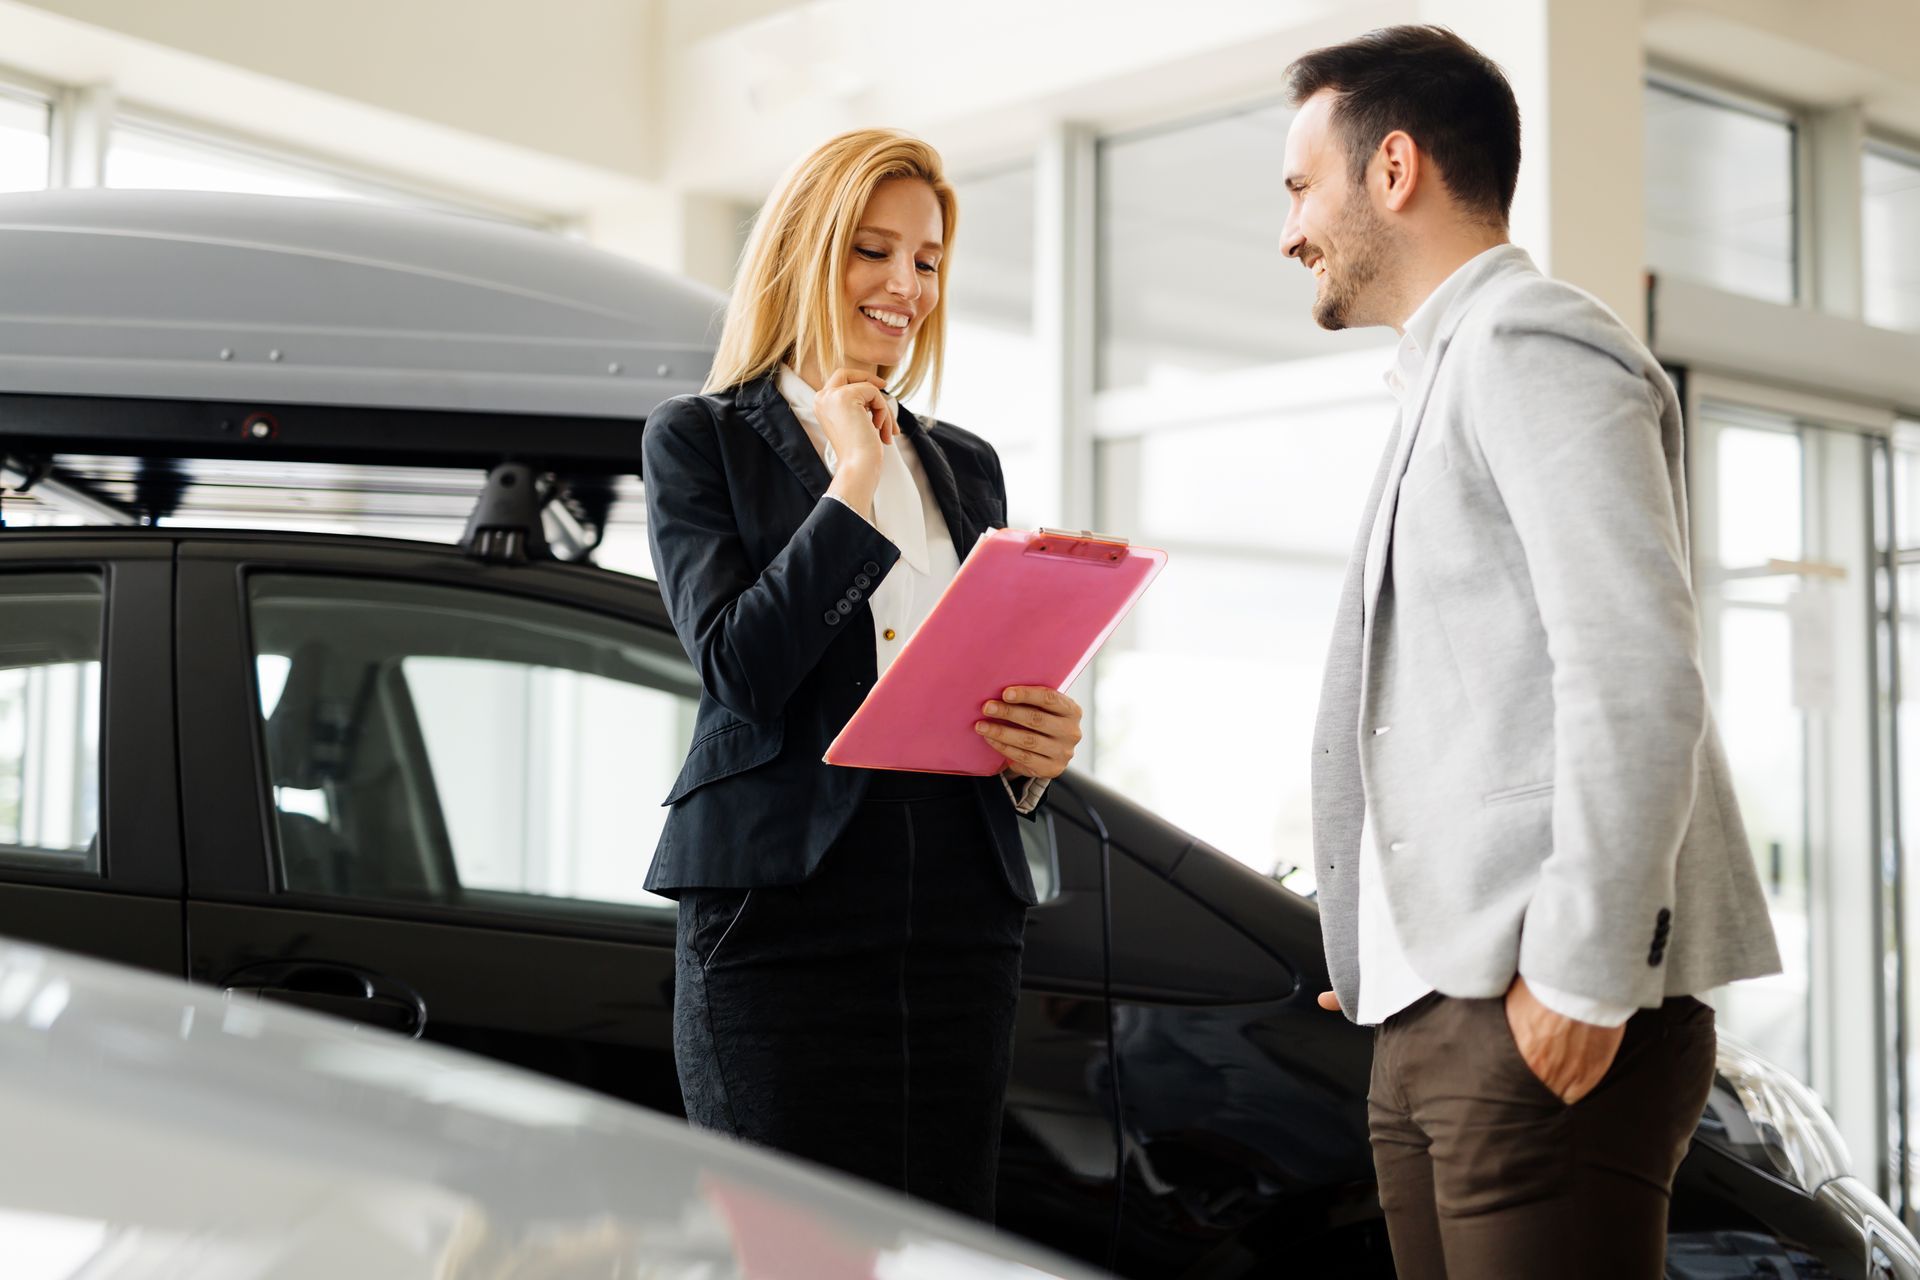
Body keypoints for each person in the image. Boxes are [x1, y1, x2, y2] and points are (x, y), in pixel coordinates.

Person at [1283, 25, 1782, 1278]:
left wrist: (1582, 971)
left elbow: (1635, 664)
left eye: (1301, 188)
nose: (1290, 231)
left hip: (1533, 1006)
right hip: (1431, 1018)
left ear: (1391, 167)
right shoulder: (1440, 373)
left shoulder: (1529, 341)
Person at [640, 128, 1083, 1223]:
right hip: (780, 921)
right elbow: (743, 667)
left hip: (957, 918)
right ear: (805, 250)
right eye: (872, 250)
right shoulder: (699, 441)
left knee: (941, 1243)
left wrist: (1036, 746)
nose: (905, 285)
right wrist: (855, 479)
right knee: (799, 1248)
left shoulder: (965, 463)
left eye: (927, 260)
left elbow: (974, 674)